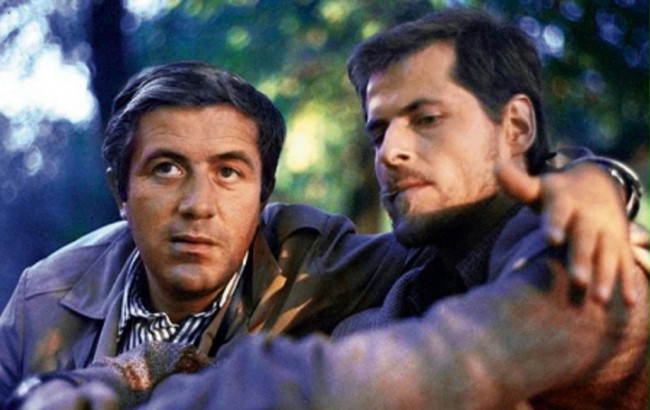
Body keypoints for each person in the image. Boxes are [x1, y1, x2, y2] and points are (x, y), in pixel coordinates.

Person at [2, 9, 649, 407]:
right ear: (120, 190)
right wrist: (111, 380)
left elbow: (452, 357)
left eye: (426, 119)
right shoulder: (409, 284)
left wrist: (589, 176)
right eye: (378, 131)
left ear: (516, 127)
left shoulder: (592, 262)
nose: (390, 153)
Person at [0, 62, 415, 400]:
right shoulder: (43, 300)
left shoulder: (314, 260)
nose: (198, 205)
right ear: (120, 191)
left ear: (263, 195)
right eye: (167, 169)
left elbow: (447, 256)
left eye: (228, 172)